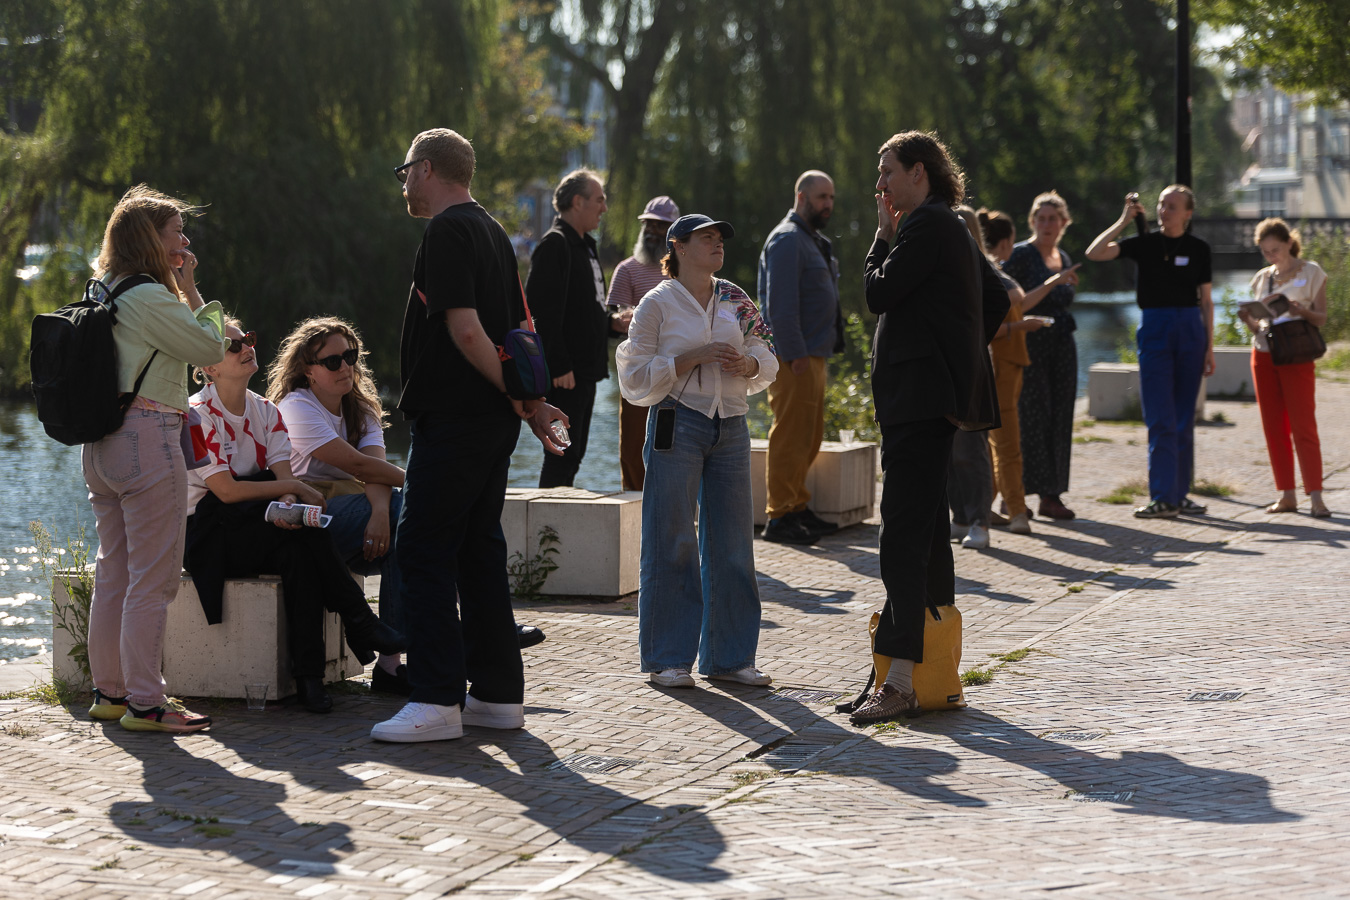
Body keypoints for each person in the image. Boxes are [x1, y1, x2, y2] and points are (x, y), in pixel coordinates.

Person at [373, 128, 569, 742]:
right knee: (477, 549)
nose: (404, 182)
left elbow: (465, 331)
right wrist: (527, 404)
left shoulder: (448, 230)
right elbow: (517, 334)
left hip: (455, 417)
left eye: (406, 170)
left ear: (426, 168)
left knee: (424, 548)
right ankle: (497, 695)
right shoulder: (491, 230)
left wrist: (522, 399)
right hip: (489, 423)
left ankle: (435, 698)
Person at [270, 320, 547, 697]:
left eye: (350, 357)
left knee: (408, 532)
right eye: (332, 361)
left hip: (358, 515)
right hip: (312, 521)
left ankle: (392, 667)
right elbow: (359, 466)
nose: (345, 367)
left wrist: (382, 515)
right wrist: (432, 485)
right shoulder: (297, 406)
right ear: (307, 370)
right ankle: (486, 629)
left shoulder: (361, 409)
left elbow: (376, 475)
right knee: (423, 511)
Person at [853, 132, 1007, 724]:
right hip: (930, 400)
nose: (881, 183)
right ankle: (933, 671)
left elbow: (877, 292)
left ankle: (896, 682)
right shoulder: (955, 227)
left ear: (919, 173)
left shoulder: (921, 225)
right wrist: (957, 358)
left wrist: (881, 237)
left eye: (887, 170)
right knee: (928, 533)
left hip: (917, 402)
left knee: (902, 537)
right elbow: (995, 302)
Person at [184, 320, 406, 714]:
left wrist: (293, 503)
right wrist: (294, 495)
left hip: (257, 519)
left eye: (248, 339)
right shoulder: (199, 414)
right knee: (309, 536)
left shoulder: (266, 411)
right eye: (232, 346)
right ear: (209, 367)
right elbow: (226, 491)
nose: (246, 347)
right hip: (210, 531)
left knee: (305, 539)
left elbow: (285, 479)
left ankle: (310, 680)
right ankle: (361, 626)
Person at [82, 186, 230, 734]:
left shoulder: (104, 290)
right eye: (176, 231)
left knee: (115, 570)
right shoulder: (151, 296)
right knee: (154, 578)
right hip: (148, 437)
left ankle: (111, 694)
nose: (185, 240)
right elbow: (212, 350)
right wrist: (193, 291)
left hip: (101, 444)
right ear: (151, 238)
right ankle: (148, 703)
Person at [616, 214, 779, 689]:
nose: (717, 244)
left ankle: (731, 659)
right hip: (676, 421)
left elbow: (767, 351)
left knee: (733, 543)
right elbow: (633, 377)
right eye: (706, 238)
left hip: (730, 424)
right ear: (679, 247)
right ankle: (667, 659)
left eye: (720, 238)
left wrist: (746, 362)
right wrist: (688, 358)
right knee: (671, 540)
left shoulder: (734, 297)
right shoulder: (657, 303)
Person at [1085, 186, 1215, 518]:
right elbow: (1095, 252)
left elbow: (1207, 301)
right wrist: (1124, 219)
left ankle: (1179, 493)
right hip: (1156, 327)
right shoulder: (1145, 242)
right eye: (1161, 204)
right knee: (1160, 416)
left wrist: (1209, 346)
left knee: (1185, 417)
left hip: (1190, 328)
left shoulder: (1199, 249)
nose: (1164, 210)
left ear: (1188, 213)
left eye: (1172, 206)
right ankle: (1162, 496)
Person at [757, 170, 845, 545]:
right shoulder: (789, 240)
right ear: (801, 197)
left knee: (808, 436)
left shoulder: (810, 239)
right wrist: (793, 354)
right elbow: (780, 306)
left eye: (831, 198)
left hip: (813, 353)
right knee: (790, 435)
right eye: (821, 197)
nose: (827, 204)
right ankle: (779, 516)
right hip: (796, 357)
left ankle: (796, 505)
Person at [526, 168, 621, 488]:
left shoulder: (585, 246)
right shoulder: (555, 244)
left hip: (585, 371)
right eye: (599, 200)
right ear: (577, 202)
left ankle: (558, 528)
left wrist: (611, 323)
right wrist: (559, 365)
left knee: (574, 452)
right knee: (561, 453)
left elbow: (583, 309)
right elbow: (539, 313)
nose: (604, 208)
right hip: (565, 377)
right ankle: (547, 532)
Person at [1238, 218, 1330, 518]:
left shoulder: (1312, 272)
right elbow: (1258, 328)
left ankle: (1316, 496)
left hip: (1297, 353)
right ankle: (1287, 495)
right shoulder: (1262, 278)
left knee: (1304, 425)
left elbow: (1321, 318)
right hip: (1264, 352)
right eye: (1265, 252)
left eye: (1275, 249)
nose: (1271, 256)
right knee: (1273, 426)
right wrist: (1248, 320)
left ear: (1289, 243)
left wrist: (1298, 309)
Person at [1002, 191, 1082, 521]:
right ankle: (1014, 495)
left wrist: (1059, 280)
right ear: (1032, 221)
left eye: (1053, 218)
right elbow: (1013, 304)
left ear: (1064, 223)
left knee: (1061, 417)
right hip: (1031, 343)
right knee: (1030, 418)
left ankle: (1052, 495)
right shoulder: (1021, 255)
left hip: (1062, 345)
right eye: (1041, 218)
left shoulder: (1063, 256)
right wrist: (1052, 283)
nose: (1047, 224)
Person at [980, 209, 1050, 535]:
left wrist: (1053, 283)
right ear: (1006, 242)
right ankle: (1017, 512)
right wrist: (1022, 326)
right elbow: (984, 329)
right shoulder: (988, 276)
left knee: (999, 444)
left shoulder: (997, 272)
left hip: (1012, 365)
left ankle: (984, 506)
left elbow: (1019, 303)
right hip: (1000, 367)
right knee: (1008, 444)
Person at [607, 195, 680, 490]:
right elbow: (614, 318)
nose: (653, 231)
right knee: (635, 441)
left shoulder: (686, 272)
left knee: (678, 442)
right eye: (649, 224)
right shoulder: (626, 270)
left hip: (679, 369)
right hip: (639, 368)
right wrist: (624, 319)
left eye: (661, 226)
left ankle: (678, 506)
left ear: (675, 232)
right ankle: (635, 501)